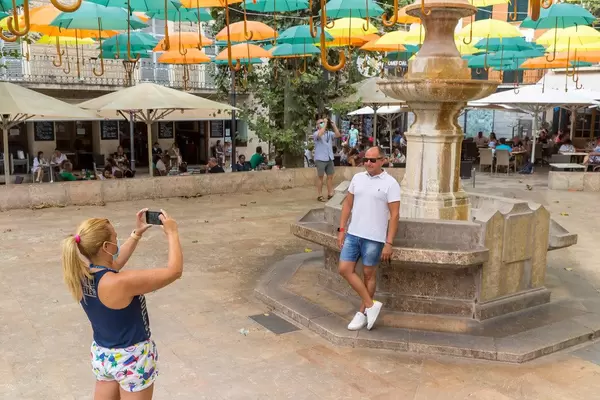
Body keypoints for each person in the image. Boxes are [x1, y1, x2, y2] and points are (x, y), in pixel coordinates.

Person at [61, 209, 182, 399]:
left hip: (103, 355)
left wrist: (136, 235)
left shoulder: (82, 274)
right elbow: (174, 271)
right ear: (106, 247)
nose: (118, 240)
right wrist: (172, 233)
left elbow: (113, 265)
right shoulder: (120, 283)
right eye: (116, 238)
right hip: (131, 358)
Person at [337, 146, 401, 331]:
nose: (368, 163)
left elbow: (395, 215)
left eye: (373, 160)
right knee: (344, 269)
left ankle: (363, 312)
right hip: (353, 233)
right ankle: (371, 305)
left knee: (368, 274)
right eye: (365, 159)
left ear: (383, 160)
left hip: (374, 238)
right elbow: (347, 204)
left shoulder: (391, 183)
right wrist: (341, 229)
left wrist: (389, 243)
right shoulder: (357, 178)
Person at [313, 117, 341, 201]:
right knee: (320, 177)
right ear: (317, 125)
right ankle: (320, 195)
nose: (322, 123)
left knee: (330, 177)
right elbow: (320, 134)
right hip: (320, 158)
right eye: (320, 122)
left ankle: (330, 193)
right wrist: (325, 123)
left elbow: (338, 135)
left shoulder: (329, 133)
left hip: (329, 158)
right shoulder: (316, 133)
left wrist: (334, 125)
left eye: (323, 122)